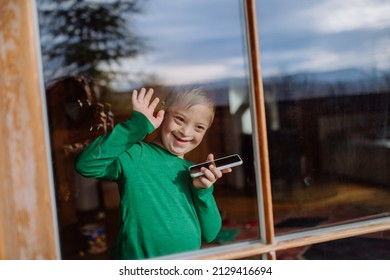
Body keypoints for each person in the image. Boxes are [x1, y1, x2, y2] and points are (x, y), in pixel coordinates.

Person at [75, 87, 232, 259]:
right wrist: (136, 126)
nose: (186, 132)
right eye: (179, 119)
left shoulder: (195, 172)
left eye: (199, 127)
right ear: (163, 113)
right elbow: (86, 165)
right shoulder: (135, 154)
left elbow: (211, 233)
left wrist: (203, 191)